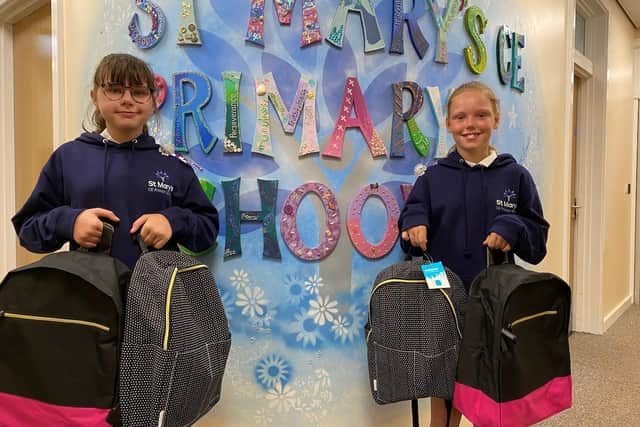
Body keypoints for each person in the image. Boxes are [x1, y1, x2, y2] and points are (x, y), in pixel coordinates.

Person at [398, 81, 549, 427]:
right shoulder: (433, 178)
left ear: (496, 119)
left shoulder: (516, 176)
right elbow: (408, 228)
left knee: (492, 389)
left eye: (481, 115)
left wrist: (513, 227)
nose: (470, 124)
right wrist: (415, 224)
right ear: (449, 124)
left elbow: (537, 243)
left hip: (495, 304)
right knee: (445, 387)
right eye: (460, 117)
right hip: (442, 300)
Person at [12, 53, 219, 270]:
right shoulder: (68, 158)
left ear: (153, 101)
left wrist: (172, 222)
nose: (127, 100)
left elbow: (207, 230)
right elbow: (28, 229)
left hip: (157, 297)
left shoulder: (173, 165)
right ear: (95, 97)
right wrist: (70, 222)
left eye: (139, 92)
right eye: (114, 90)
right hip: (89, 296)